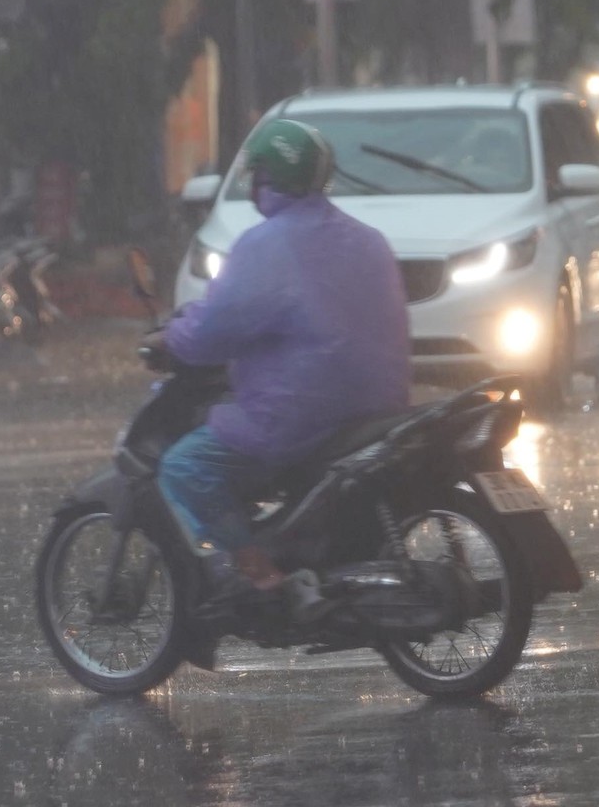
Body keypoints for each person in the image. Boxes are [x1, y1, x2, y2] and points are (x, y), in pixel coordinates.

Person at [155, 118, 411, 599]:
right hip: (379, 409)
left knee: (185, 466)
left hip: (302, 415)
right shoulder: (369, 238)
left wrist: (172, 339)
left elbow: (212, 331)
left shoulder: (266, 245)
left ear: (263, 177)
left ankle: (260, 573)